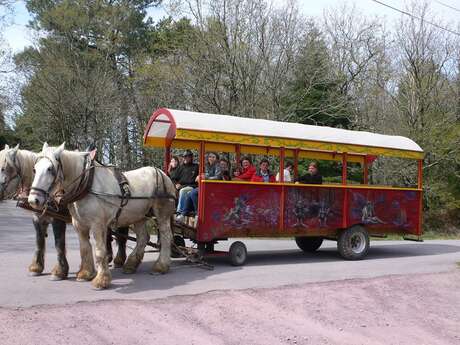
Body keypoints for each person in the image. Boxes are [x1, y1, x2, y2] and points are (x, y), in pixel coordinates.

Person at [176, 152, 221, 223]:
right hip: (206, 185)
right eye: (210, 157)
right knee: (189, 193)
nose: (211, 158)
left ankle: (198, 213)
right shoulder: (207, 165)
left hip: (214, 187)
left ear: (216, 159)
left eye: (213, 157)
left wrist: (205, 177)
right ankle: (183, 214)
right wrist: (201, 176)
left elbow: (217, 177)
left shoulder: (218, 165)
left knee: (193, 193)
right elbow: (205, 174)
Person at [174, 150, 199, 217]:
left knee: (183, 191)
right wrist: (176, 184)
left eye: (187, 156)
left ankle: (179, 212)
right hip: (181, 186)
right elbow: (174, 178)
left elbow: (199, 178)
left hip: (192, 186)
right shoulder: (180, 167)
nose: (185, 158)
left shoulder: (196, 166)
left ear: (191, 157)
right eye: (184, 157)